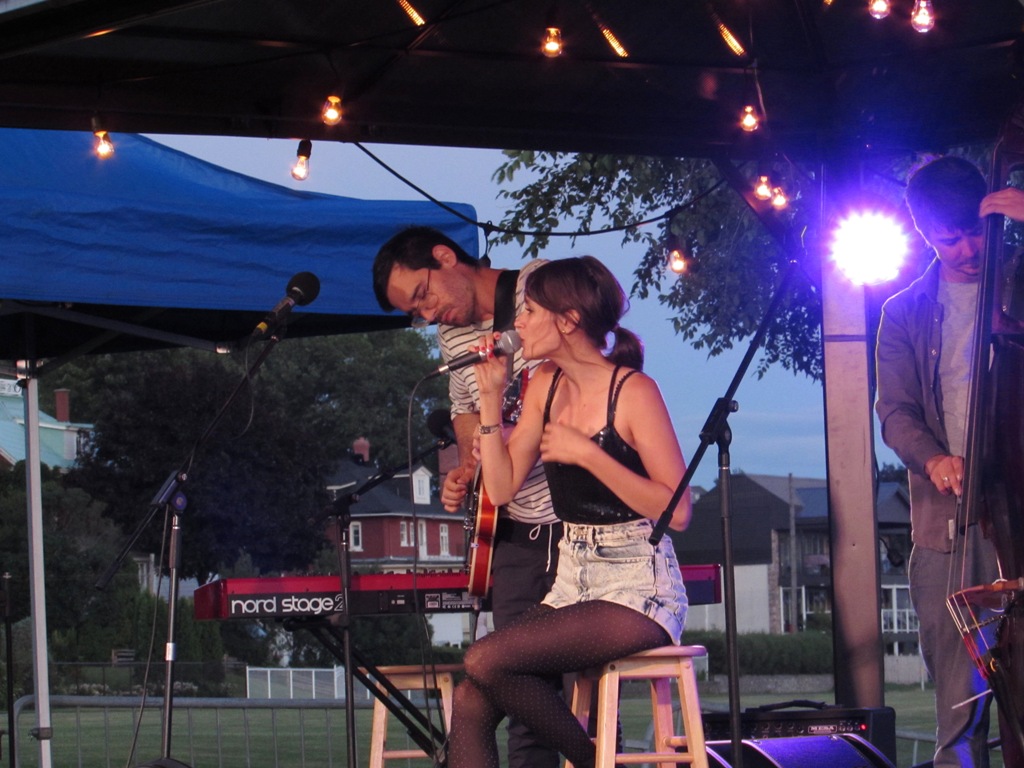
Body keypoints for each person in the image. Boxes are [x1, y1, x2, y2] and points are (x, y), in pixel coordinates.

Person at [446, 255, 691, 768]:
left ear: (568, 320)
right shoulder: (545, 383)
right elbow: (503, 488)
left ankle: (595, 760)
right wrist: (490, 400)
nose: (518, 323)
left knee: (484, 659)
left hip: (637, 586)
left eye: (530, 311)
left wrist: (589, 455)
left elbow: (678, 510)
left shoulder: (633, 391)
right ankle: (599, 759)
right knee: (471, 695)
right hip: (571, 578)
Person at [373, 226, 563, 768]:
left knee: (585, 690)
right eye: (416, 312)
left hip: (572, 519)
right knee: (524, 696)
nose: (428, 313)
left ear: (444, 256)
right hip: (514, 527)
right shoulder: (451, 338)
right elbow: (464, 409)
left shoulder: (536, 291)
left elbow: (577, 382)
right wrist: (467, 468)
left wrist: (505, 434)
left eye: (423, 295)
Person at [875, 155, 1024, 768]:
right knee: (959, 717)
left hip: (1018, 507)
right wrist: (933, 458)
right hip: (949, 526)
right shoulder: (903, 311)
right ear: (923, 233)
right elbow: (895, 411)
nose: (966, 250)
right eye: (948, 238)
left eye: (973, 233)